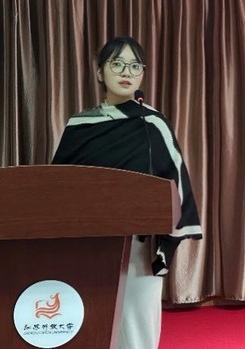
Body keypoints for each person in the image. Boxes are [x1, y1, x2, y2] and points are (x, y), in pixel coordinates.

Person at [52, 36, 203, 349]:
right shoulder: (79, 125)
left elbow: (176, 180)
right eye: (117, 63)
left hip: (138, 247)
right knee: (92, 321)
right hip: (89, 245)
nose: (126, 72)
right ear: (100, 72)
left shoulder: (153, 124)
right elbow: (60, 183)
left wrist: (169, 235)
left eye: (135, 66)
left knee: (136, 327)